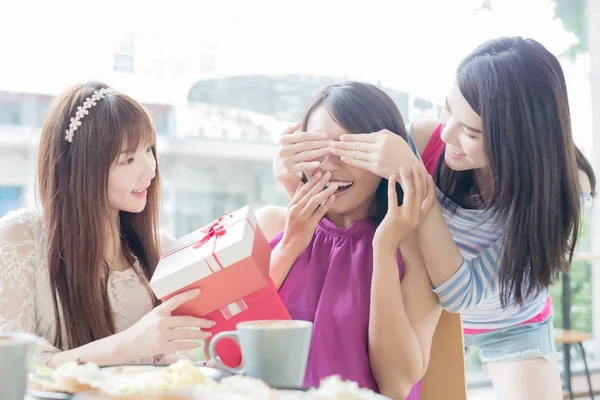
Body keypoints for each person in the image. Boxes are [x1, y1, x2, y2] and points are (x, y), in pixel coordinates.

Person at [274, 37, 596, 400]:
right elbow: (363, 207)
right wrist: (292, 177)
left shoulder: (564, 188)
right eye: (447, 110)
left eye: (471, 132)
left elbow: (463, 293)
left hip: (509, 323)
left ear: (518, 138)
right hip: (426, 307)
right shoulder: (424, 139)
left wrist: (416, 178)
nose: (447, 134)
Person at [0, 82, 214, 367]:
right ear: (81, 168)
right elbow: (11, 365)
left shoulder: (161, 250)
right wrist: (129, 343)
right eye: (128, 159)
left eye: (149, 149)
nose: (149, 170)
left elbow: (172, 371)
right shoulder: (22, 240)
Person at [257, 82, 441, 400]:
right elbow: (225, 339)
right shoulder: (273, 225)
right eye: (317, 148)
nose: (330, 163)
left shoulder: (415, 251)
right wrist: (289, 244)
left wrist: (383, 250)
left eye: (348, 148)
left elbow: (396, 385)